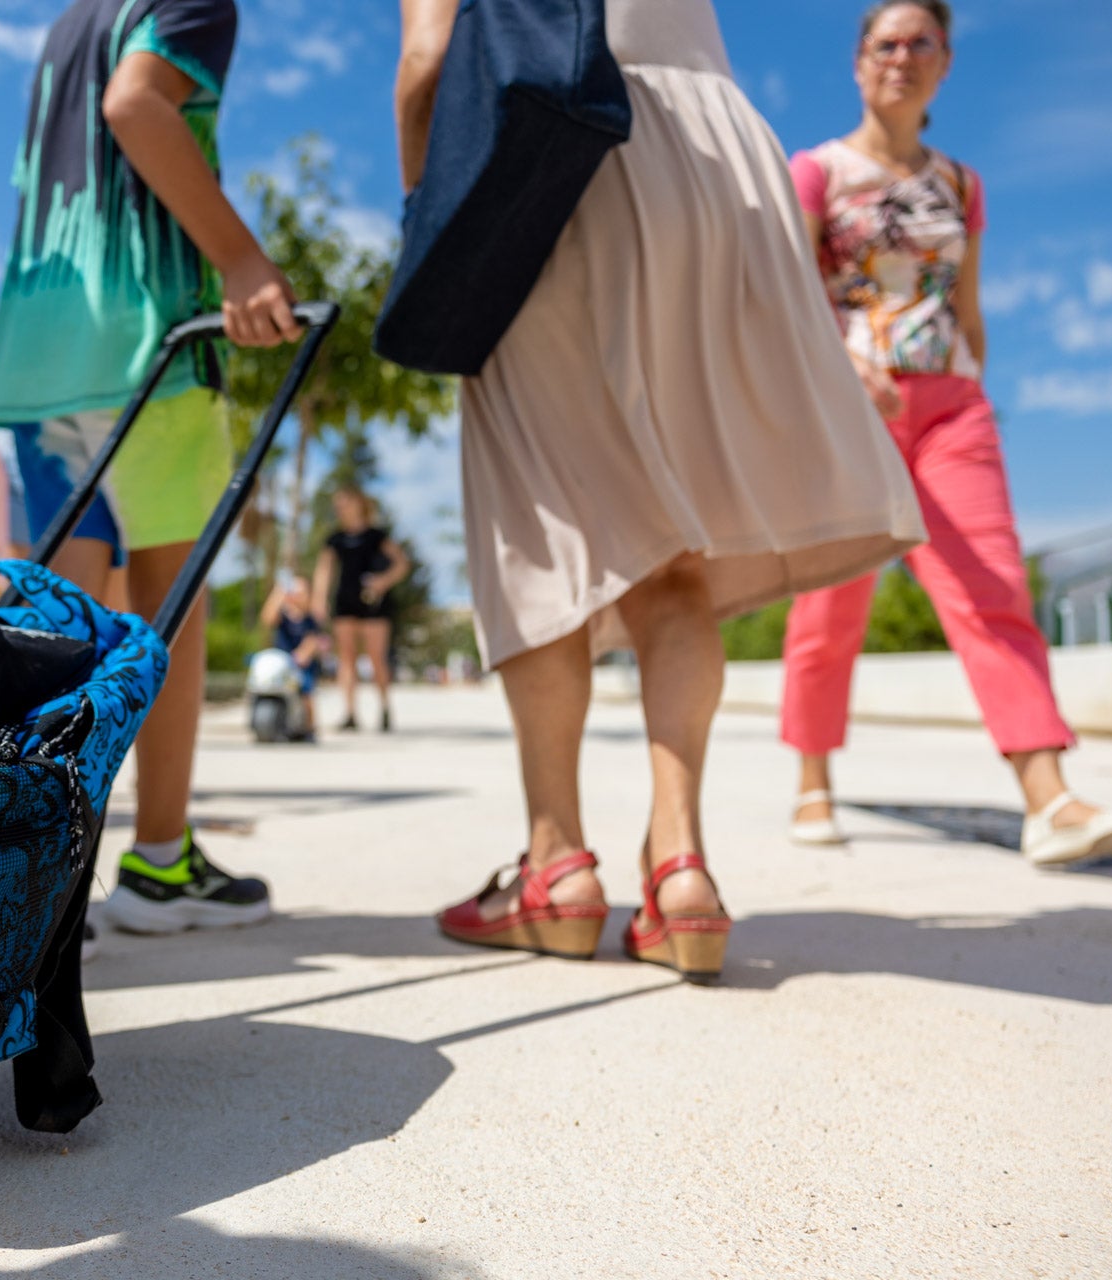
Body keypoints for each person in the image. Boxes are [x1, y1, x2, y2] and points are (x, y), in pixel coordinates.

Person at [399, 0, 927, 982]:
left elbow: (429, 56)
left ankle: (556, 868)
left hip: (551, 151)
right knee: (675, 533)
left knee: (540, 520)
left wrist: (431, 221)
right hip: (719, 162)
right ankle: (681, 868)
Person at [778, 1, 1112, 867]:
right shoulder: (817, 172)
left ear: (946, 61)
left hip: (951, 406)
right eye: (886, 42)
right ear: (857, 61)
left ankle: (1049, 798)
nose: (902, 57)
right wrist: (844, 367)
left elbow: (968, 304)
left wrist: (976, 385)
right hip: (848, 411)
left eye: (922, 43)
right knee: (831, 602)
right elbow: (790, 293)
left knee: (991, 588)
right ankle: (812, 778)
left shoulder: (960, 183)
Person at [0, 0, 302, 937]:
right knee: (169, 614)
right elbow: (138, 106)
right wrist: (241, 259)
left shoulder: (73, 20)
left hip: (41, 352)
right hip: (149, 348)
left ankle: (31, 876)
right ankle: (161, 860)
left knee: (55, 626)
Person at [310, 486, 409, 732]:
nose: (340, 507)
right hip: (345, 601)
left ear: (359, 503)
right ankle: (350, 713)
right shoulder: (335, 539)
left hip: (374, 602)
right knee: (346, 658)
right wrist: (319, 599)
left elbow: (401, 564)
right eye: (338, 504)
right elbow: (324, 570)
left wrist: (383, 581)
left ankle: (385, 708)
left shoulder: (377, 536)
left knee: (377, 657)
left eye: (345, 502)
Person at [260, 574, 327, 740]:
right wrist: (278, 593)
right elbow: (267, 618)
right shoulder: (283, 617)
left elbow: (312, 639)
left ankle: (310, 728)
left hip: (300, 664)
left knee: (306, 693)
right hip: (281, 662)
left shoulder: (309, 619)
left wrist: (304, 654)